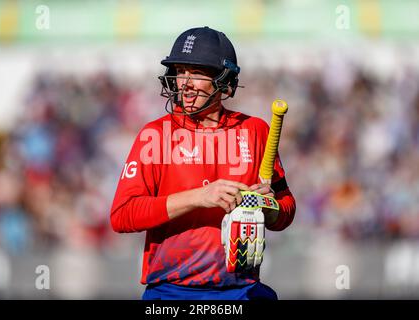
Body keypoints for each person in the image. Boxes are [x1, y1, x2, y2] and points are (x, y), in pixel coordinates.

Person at [110, 26, 296, 300]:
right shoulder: (155, 134)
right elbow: (123, 215)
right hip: (173, 292)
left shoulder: (255, 130)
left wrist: (270, 209)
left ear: (224, 80)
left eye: (196, 73)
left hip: (242, 289)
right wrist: (199, 196)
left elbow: (286, 210)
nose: (184, 82)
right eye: (180, 71)